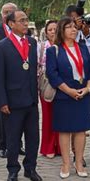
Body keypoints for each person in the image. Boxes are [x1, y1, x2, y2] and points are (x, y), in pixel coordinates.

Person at [0, 10, 42, 181]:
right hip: (12, 102)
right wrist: (2, 102)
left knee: (33, 137)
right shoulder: (2, 46)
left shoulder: (32, 43)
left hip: (30, 100)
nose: (25, 23)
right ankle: (13, 169)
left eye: (27, 20)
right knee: (13, 139)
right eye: (21, 21)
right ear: (11, 24)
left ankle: (30, 168)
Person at [46, 17, 90, 179]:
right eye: (69, 27)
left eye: (75, 27)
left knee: (81, 130)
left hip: (83, 94)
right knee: (65, 130)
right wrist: (69, 91)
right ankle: (66, 163)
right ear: (62, 30)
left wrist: (88, 87)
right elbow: (52, 74)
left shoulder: (83, 47)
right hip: (64, 95)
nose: (73, 30)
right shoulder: (54, 50)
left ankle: (79, 162)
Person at [65, 6, 90, 165]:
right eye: (75, 19)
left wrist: (87, 32)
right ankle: (77, 153)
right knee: (78, 119)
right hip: (75, 82)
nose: (78, 22)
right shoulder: (66, 34)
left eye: (80, 18)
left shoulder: (87, 33)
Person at [0, 2, 25, 158]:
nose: (7, 14)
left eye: (11, 12)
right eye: (5, 12)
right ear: (1, 14)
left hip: (19, 77)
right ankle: (2, 145)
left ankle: (17, 144)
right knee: (3, 111)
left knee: (20, 111)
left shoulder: (22, 30)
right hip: (1, 76)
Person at [37, 20, 60, 158]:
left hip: (62, 86)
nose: (53, 31)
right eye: (50, 29)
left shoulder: (63, 46)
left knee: (61, 117)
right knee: (48, 117)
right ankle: (48, 147)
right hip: (46, 86)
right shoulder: (41, 47)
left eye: (55, 29)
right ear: (46, 32)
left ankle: (60, 147)